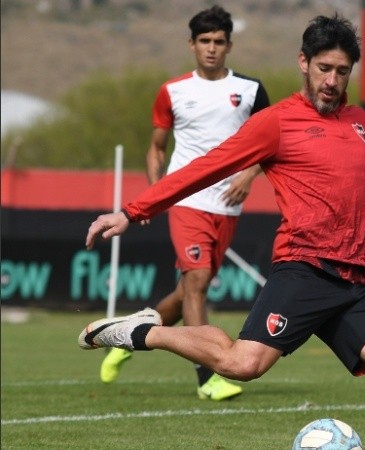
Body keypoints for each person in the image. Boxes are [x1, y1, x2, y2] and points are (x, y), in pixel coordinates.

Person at [79, 14, 365, 449]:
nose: (332, 81)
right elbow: (206, 167)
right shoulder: (276, 122)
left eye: (342, 71)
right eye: (324, 68)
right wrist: (132, 211)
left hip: (354, 280)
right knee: (243, 364)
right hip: (304, 270)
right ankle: (142, 332)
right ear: (303, 62)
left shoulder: (359, 123)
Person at [98, 5, 270, 402]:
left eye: (219, 41)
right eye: (204, 41)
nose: (211, 48)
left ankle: (128, 336)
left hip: (227, 204)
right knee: (198, 281)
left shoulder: (250, 90)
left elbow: (273, 142)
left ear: (229, 46)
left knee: (188, 290)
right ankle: (208, 377)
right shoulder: (173, 91)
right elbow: (157, 149)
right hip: (186, 198)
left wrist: (249, 175)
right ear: (191, 44)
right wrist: (155, 196)